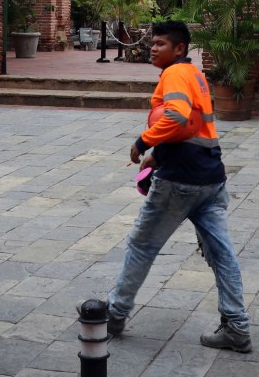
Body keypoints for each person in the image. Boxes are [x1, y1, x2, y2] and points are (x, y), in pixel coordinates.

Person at [105, 20, 251, 352]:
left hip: (180, 180)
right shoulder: (195, 75)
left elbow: (177, 116)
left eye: (160, 44)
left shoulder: (174, 74)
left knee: (142, 246)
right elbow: (195, 127)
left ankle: (115, 313)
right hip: (211, 177)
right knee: (222, 254)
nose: (153, 48)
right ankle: (237, 326)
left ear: (179, 49)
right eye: (152, 43)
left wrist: (144, 142)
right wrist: (159, 154)